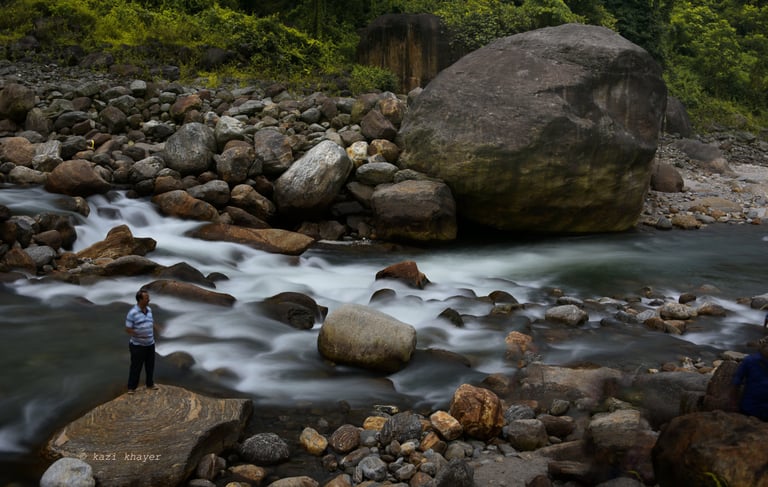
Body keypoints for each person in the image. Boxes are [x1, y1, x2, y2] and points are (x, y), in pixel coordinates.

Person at [125, 289, 160, 394]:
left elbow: (150, 321)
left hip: (150, 343)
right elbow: (128, 329)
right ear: (140, 300)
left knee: (150, 365)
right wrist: (140, 335)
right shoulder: (133, 313)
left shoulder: (149, 310)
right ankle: (131, 388)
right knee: (136, 367)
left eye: (148, 297)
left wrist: (156, 327)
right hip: (137, 345)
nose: (149, 299)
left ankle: (150, 384)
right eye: (146, 298)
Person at [731, 338, 768, 421]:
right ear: (763, 347)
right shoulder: (750, 361)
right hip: (750, 407)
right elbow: (736, 382)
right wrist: (733, 404)